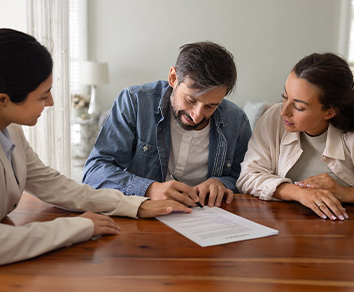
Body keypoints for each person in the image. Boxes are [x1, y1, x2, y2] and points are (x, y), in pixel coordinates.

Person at [0, 28, 191, 271]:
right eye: (43, 96)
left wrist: (134, 205)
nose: (52, 102)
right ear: (2, 100)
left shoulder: (6, 127)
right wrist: (76, 227)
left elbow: (53, 185)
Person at [237, 53, 354, 220]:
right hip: (285, 233)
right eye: (285, 97)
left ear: (329, 112)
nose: (284, 111)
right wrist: (299, 193)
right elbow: (248, 176)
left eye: (299, 107)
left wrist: (346, 193)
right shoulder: (272, 121)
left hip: (349, 236)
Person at [83, 41, 252, 208]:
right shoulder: (135, 102)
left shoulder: (237, 120)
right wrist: (149, 189)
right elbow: (95, 172)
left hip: (207, 219)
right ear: (173, 78)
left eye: (211, 106)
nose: (197, 115)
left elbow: (246, 177)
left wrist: (221, 183)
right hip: (143, 215)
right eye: (190, 100)